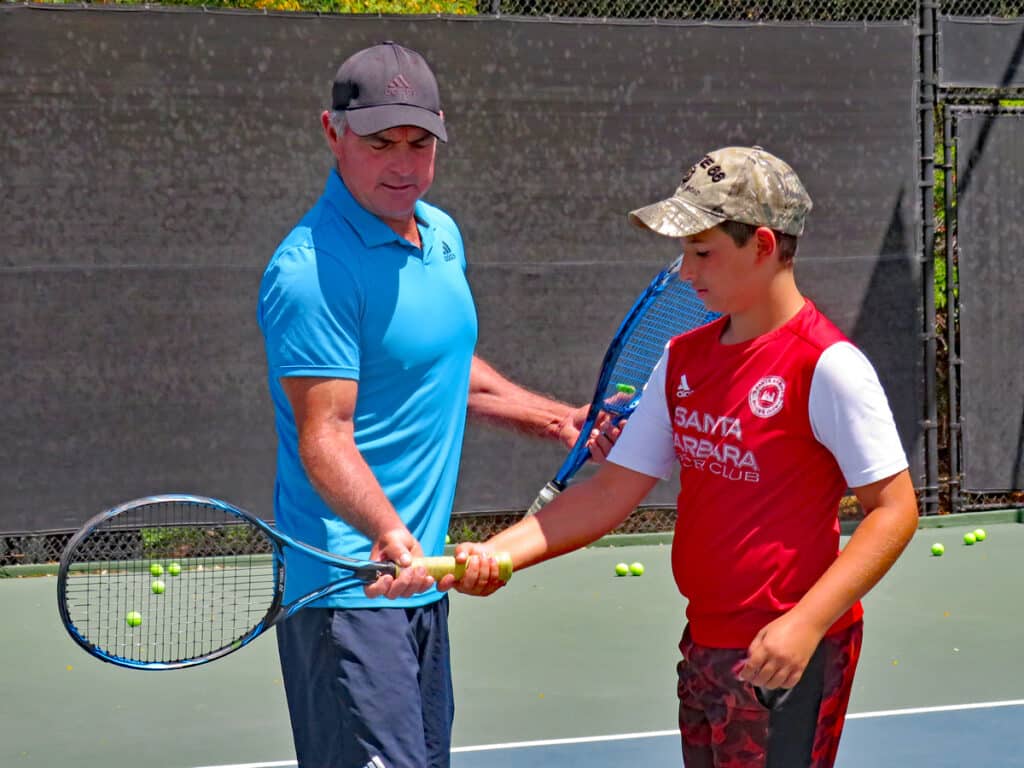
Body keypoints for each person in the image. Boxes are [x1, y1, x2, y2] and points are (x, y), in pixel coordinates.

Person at [455, 146, 920, 768]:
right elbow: (608, 492)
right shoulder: (681, 359)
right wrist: (498, 553)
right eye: (684, 253)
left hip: (786, 653)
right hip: (703, 646)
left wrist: (806, 623)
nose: (685, 271)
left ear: (762, 245)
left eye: (703, 253)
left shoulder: (828, 366)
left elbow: (894, 509)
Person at [256, 41, 606, 768]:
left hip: (418, 585)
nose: (404, 165)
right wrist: (387, 529)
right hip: (348, 590)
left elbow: (438, 366)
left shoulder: (440, 233)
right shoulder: (311, 272)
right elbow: (325, 434)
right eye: (380, 143)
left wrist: (556, 420)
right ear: (332, 133)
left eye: (420, 144)